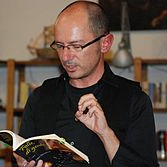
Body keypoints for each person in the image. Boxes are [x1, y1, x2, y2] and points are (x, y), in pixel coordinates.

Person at [14, 1, 159, 167]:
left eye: (76, 46)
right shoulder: (41, 97)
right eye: (60, 46)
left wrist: (106, 133)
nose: (66, 57)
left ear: (105, 43)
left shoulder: (134, 100)